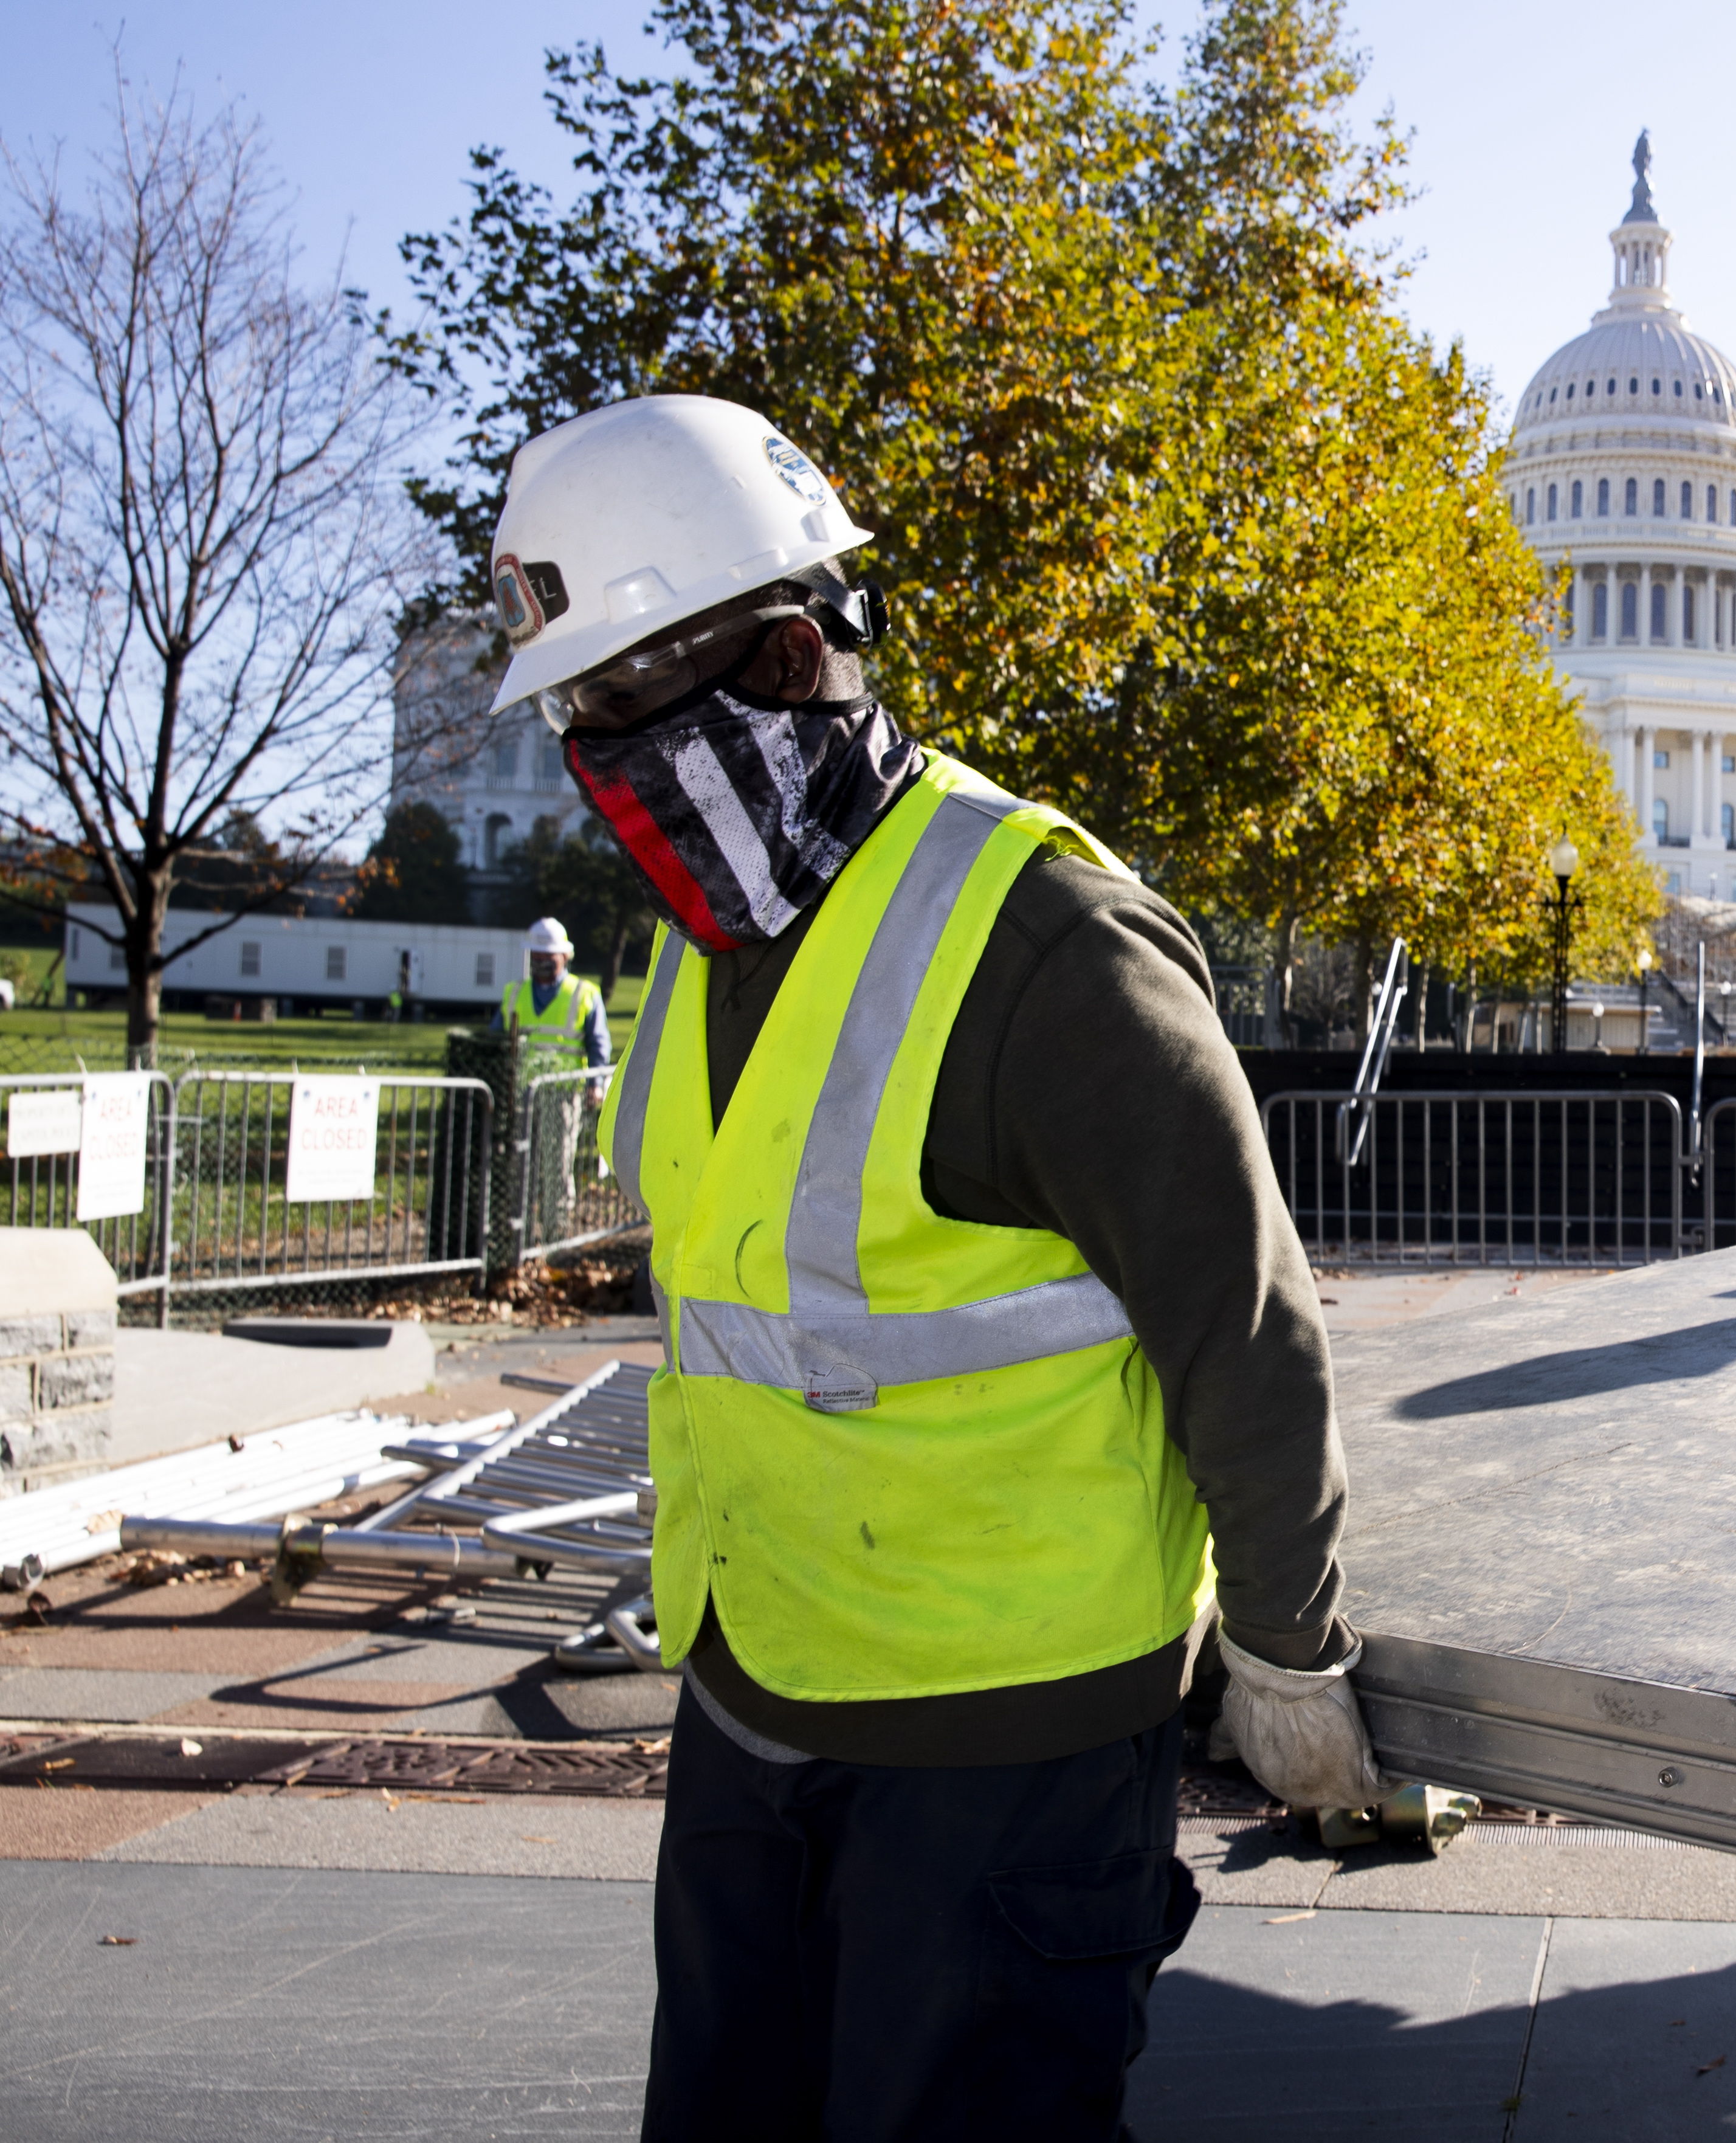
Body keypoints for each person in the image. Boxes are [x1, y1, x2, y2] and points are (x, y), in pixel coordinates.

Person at [484, 393, 1388, 2138]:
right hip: (758, 1685)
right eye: (577, 711)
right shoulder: (704, 951)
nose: (594, 755)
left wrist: (1287, 1649)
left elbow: (1245, 1324)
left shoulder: (1044, 942)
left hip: (1007, 1739)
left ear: (789, 654)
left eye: (616, 702)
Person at [501, 917, 613, 1082]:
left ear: (565, 956)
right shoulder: (514, 992)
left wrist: (595, 1083)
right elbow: (496, 1037)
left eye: (547, 955)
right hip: (521, 1088)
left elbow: (599, 1045)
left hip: (567, 1090)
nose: (541, 960)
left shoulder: (585, 993)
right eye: (536, 954)